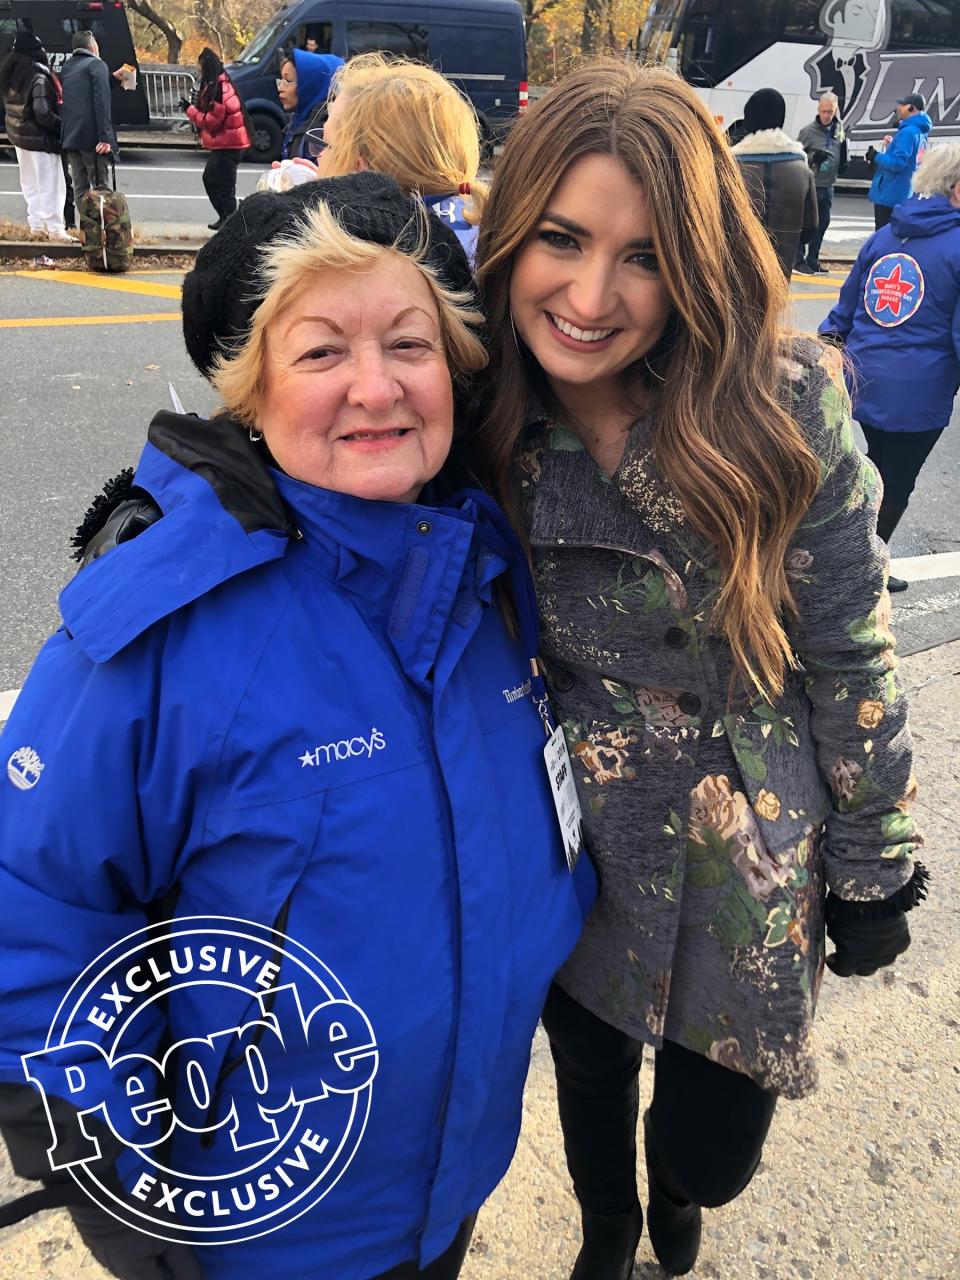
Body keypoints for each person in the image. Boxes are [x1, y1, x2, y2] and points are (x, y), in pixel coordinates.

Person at [0, 171, 594, 1280]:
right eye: (322, 352)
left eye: (410, 345)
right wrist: (128, 1193)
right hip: (259, 1235)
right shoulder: (155, 635)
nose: (376, 387)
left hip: (448, 1183)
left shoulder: (489, 574)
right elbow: (28, 909)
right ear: (251, 390)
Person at [474, 59, 926, 1279]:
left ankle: (676, 1193)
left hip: (755, 842)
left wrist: (877, 856)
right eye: (560, 239)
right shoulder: (479, 417)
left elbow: (848, 638)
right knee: (587, 1074)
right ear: (510, 231)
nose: (588, 293)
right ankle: (608, 1224)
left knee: (712, 1148)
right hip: (577, 837)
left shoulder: (783, 407)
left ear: (699, 257)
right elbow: (319, 418)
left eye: (644, 252)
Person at [820, 142, 960, 593]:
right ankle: (859, 571)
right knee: (894, 482)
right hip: (917, 390)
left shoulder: (886, 235)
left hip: (863, 376)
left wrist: (824, 351)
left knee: (872, 470)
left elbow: (846, 308)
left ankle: (848, 559)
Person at [315, 53, 484, 263]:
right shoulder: (476, 226)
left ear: (361, 173)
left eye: (326, 145)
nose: (318, 157)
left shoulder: (361, 263)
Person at [730, 87, 818, 279]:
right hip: (778, 276)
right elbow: (810, 229)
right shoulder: (802, 171)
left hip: (734, 275)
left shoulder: (731, 170)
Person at [0, 31, 71, 240]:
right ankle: (56, 230)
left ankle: (37, 225)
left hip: (20, 138)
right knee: (52, 186)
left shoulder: (11, 76)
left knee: (30, 184)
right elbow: (43, 114)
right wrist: (64, 126)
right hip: (41, 140)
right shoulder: (39, 78)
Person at [181, 47, 251, 231]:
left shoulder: (220, 89)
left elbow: (211, 122)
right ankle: (227, 219)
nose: (200, 70)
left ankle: (229, 221)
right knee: (218, 181)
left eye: (201, 66)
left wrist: (189, 110)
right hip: (228, 142)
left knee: (219, 182)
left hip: (230, 144)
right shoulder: (218, 85)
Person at [59, 30, 116, 197]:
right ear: (92, 46)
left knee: (80, 187)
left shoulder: (68, 67)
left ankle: (85, 222)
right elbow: (101, 101)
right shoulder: (96, 64)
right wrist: (105, 137)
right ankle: (100, 223)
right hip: (92, 139)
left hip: (71, 136)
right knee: (100, 187)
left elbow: (82, 94)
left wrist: (111, 78)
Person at [795, 92, 847, 274]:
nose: (827, 116)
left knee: (823, 223)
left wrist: (843, 161)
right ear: (818, 110)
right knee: (806, 222)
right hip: (813, 184)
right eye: (824, 111)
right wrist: (813, 158)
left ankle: (813, 259)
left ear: (836, 110)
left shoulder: (838, 128)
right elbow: (796, 158)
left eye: (831, 112)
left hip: (829, 185)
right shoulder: (808, 132)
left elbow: (840, 145)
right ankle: (798, 259)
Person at [866, 92, 931, 230]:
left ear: (911, 108)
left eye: (902, 105)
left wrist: (875, 156)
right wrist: (891, 147)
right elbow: (912, 160)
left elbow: (898, 164)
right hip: (904, 193)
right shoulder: (921, 131)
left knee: (884, 238)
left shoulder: (908, 132)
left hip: (891, 195)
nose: (898, 108)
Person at [277, 47, 343, 159]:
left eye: (288, 81)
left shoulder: (321, 131)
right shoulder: (299, 120)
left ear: (309, 85)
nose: (280, 88)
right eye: (280, 80)